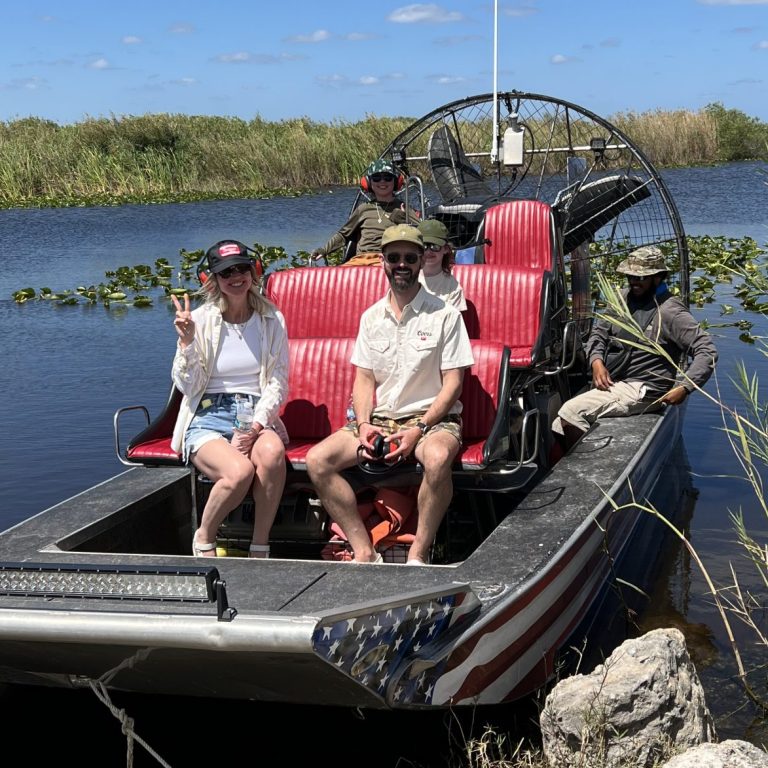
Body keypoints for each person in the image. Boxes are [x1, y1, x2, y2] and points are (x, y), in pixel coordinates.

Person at [306, 224, 475, 564]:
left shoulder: (445, 315)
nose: (402, 264)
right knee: (317, 460)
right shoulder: (371, 318)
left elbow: (454, 383)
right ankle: (363, 549)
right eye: (394, 257)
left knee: (439, 458)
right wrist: (365, 424)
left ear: (419, 261)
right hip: (381, 420)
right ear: (382, 261)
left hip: (432, 420)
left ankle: (418, 552)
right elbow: (364, 379)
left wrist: (420, 428)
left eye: (410, 258)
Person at [170, 239, 290, 558]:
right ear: (213, 280)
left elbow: (278, 382)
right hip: (208, 414)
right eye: (226, 273)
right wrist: (186, 343)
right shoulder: (200, 320)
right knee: (238, 472)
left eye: (241, 269)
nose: (236, 277)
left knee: (272, 452)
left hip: (256, 412)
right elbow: (187, 384)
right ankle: (204, 538)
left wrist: (255, 426)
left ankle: (259, 546)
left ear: (254, 271)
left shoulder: (271, 318)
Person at [553, 245, 718, 451]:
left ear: (658, 277)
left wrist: (685, 387)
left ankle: (591, 466)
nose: (633, 282)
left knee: (571, 412)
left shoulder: (670, 311)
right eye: (630, 276)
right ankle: (567, 460)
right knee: (557, 424)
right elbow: (599, 333)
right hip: (617, 379)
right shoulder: (621, 299)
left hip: (644, 388)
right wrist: (596, 362)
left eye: (640, 278)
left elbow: (707, 350)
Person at [311, 159, 409, 264]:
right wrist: (324, 250)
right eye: (376, 178)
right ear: (368, 182)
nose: (382, 182)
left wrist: (403, 220)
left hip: (389, 261)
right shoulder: (363, 209)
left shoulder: (403, 208)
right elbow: (343, 235)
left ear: (396, 182)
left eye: (387, 177)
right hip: (360, 260)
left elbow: (419, 236)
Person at [417, 218, 466, 310]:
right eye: (423, 246)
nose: (428, 252)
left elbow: (453, 322)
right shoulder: (407, 278)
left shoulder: (453, 288)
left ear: (446, 249)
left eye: (435, 246)